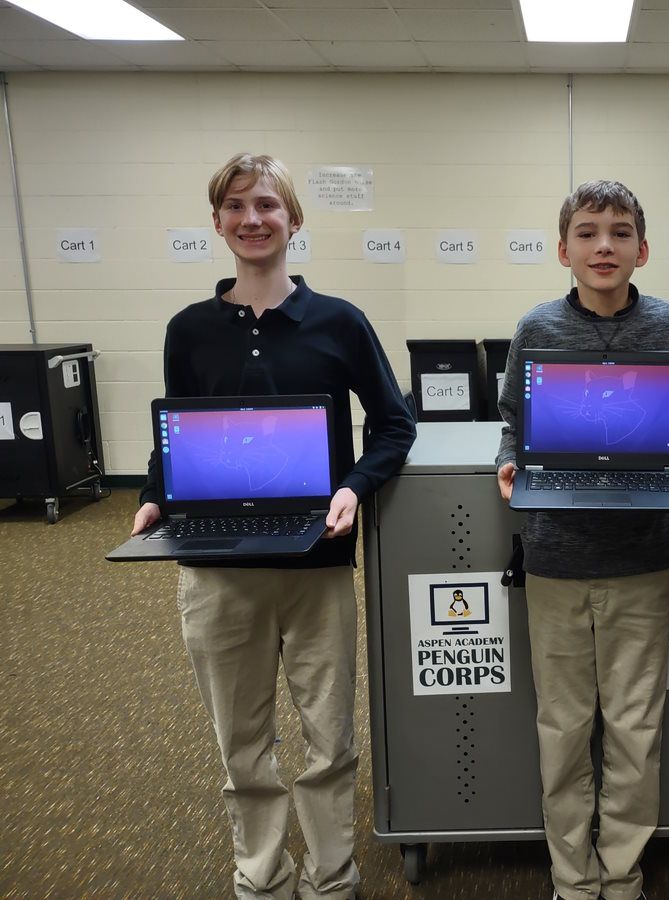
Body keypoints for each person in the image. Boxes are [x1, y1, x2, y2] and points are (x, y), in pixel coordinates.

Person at [131, 153, 416, 899]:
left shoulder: (339, 321)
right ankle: (261, 874)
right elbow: (178, 434)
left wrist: (353, 486)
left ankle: (332, 876)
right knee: (242, 744)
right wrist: (155, 497)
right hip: (216, 568)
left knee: (328, 741)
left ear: (293, 219)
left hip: (316, 563)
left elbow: (393, 426)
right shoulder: (188, 328)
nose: (251, 219)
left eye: (265, 204)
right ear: (218, 222)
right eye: (234, 206)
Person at [495, 180, 669, 900]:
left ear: (642, 248)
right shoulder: (537, 329)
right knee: (562, 730)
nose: (603, 246)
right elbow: (512, 426)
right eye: (587, 233)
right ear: (564, 249)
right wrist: (508, 461)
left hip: (643, 557)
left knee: (633, 731)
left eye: (619, 233)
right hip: (555, 555)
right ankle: (572, 879)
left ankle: (622, 876)